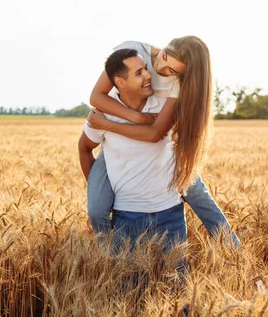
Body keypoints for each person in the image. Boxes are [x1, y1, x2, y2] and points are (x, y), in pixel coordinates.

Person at [86, 38, 240, 247]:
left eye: (171, 70)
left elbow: (155, 132)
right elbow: (96, 96)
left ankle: (236, 252)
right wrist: (136, 118)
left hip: (156, 142)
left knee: (197, 194)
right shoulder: (134, 51)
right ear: (166, 45)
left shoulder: (178, 83)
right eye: (164, 57)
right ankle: (107, 252)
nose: (160, 68)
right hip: (118, 141)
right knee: (96, 208)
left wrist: (118, 123)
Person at [78, 48, 187, 252]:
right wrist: (98, 191)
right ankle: (104, 251)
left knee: (177, 282)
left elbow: (156, 135)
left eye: (145, 69)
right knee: (128, 282)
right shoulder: (101, 116)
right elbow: (84, 148)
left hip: (170, 213)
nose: (148, 75)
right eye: (139, 73)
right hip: (127, 216)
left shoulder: (165, 107)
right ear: (120, 82)